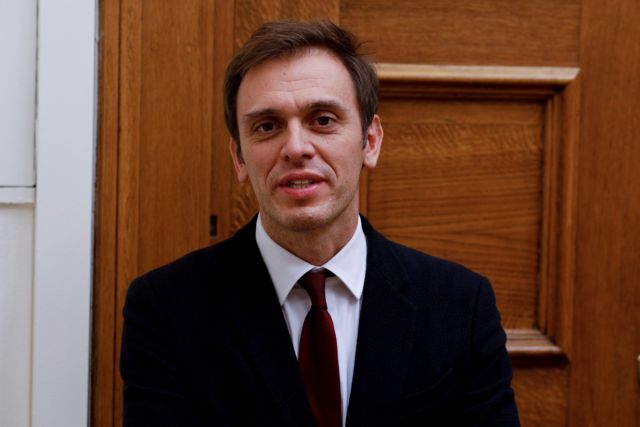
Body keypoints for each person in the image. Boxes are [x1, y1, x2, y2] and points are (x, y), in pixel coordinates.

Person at [120, 20, 520, 427]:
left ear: (370, 141)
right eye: (267, 126)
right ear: (239, 157)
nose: (296, 148)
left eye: (323, 120)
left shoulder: (460, 305)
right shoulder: (166, 309)